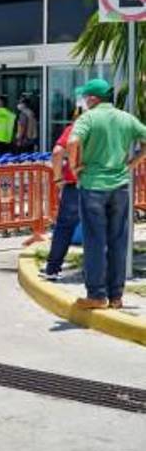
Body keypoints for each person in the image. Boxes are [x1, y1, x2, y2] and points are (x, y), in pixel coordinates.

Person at [66, 79, 146, 310]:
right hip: (120, 186)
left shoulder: (88, 118)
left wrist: (75, 166)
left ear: (93, 98)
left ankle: (97, 295)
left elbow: (73, 141)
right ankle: (116, 296)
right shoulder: (125, 118)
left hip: (93, 186)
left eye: (85, 97)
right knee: (118, 241)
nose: (84, 101)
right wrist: (133, 162)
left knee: (95, 242)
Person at [40, 104, 83, 282]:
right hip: (104, 185)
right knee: (98, 229)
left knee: (64, 227)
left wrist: (57, 178)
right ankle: (96, 271)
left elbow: (57, 152)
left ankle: (53, 268)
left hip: (75, 186)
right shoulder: (109, 128)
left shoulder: (75, 129)